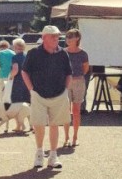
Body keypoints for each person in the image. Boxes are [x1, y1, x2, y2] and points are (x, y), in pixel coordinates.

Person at [22, 25, 71, 169]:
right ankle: (39, 153)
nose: (56, 38)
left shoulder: (63, 53)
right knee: (39, 124)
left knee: (55, 125)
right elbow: (25, 72)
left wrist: (66, 90)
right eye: (52, 36)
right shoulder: (33, 53)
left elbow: (69, 73)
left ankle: (53, 156)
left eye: (57, 36)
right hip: (38, 94)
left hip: (59, 94)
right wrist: (31, 90)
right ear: (44, 38)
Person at [62, 28, 89, 147]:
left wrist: (77, 77)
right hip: (66, 83)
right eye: (67, 37)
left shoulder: (83, 53)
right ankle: (66, 137)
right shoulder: (62, 52)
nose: (68, 39)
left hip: (79, 82)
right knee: (66, 111)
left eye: (70, 37)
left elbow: (85, 69)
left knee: (76, 111)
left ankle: (75, 137)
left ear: (77, 38)